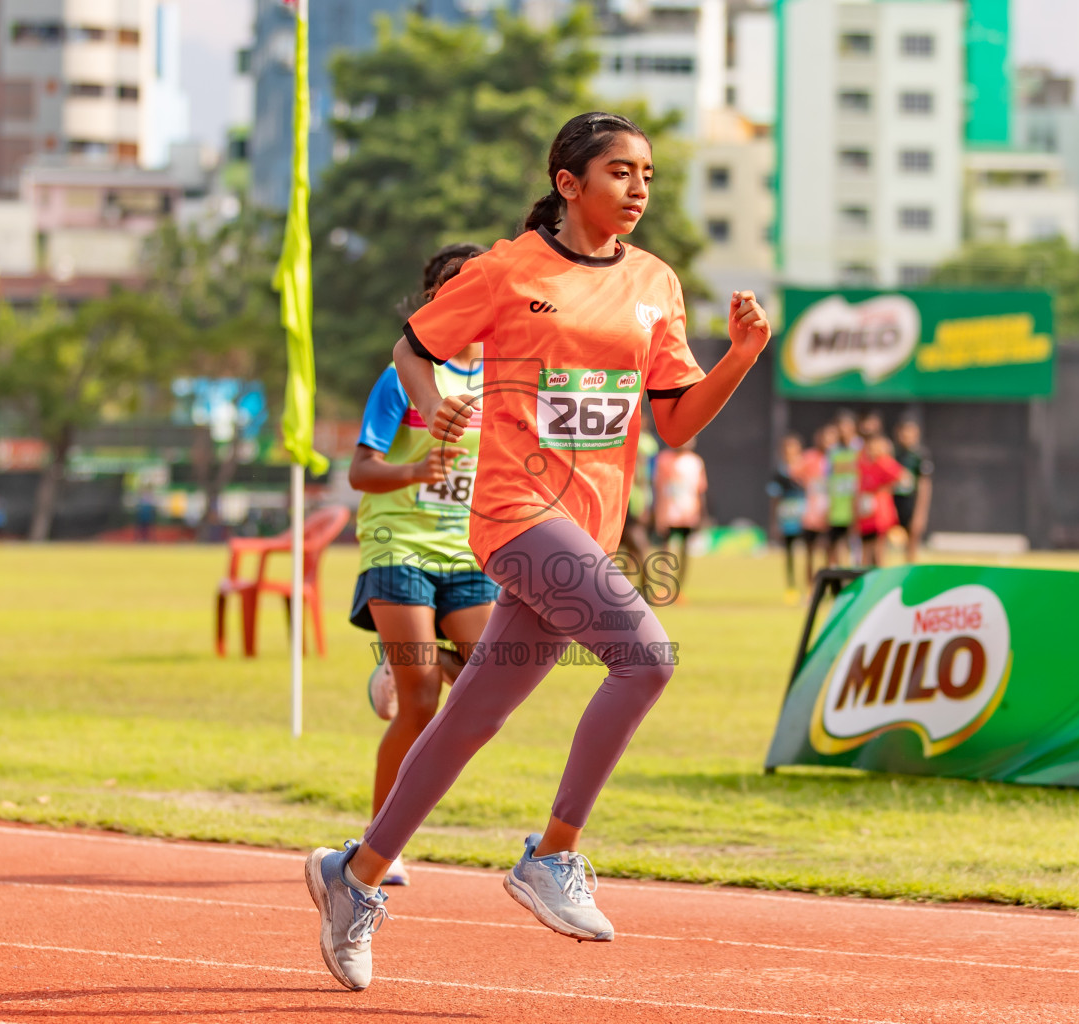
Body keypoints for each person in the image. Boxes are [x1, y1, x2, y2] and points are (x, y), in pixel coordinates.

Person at [304, 111, 771, 992]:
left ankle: (353, 875)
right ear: (569, 182)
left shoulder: (655, 282)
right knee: (645, 658)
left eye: (648, 175)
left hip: (590, 523)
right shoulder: (510, 269)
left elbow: (673, 421)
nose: (638, 189)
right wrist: (434, 398)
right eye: (620, 172)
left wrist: (740, 356)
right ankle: (552, 854)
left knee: (471, 718)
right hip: (517, 514)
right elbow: (416, 344)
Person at [347, 242, 497, 890]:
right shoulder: (401, 377)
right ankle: (381, 841)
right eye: (453, 286)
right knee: (421, 702)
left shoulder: (504, 379)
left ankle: (406, 659)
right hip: (398, 546)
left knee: (488, 686)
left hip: (469, 555)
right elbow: (359, 470)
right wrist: (416, 469)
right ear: (433, 299)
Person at [652, 437, 706, 599]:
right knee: (666, 551)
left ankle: (679, 589)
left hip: (689, 513)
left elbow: (700, 490)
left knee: (684, 551)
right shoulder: (664, 459)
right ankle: (664, 587)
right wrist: (657, 512)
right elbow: (658, 488)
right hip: (669, 513)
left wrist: (702, 515)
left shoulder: (695, 462)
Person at [616, 426, 659, 595]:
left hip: (630, 509)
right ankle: (641, 592)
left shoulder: (639, 470)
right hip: (625, 508)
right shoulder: (631, 452)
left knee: (636, 552)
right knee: (638, 552)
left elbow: (643, 482)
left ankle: (639, 592)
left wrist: (644, 507)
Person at [767, 434, 808, 600]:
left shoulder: (806, 468)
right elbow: (774, 499)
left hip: (805, 515)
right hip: (788, 517)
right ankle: (791, 587)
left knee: (808, 552)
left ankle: (807, 586)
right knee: (789, 553)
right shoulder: (779, 472)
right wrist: (775, 522)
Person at [856, 433, 906, 568]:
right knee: (865, 551)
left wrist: (884, 488)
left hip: (880, 515)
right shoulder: (862, 464)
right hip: (866, 514)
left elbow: (905, 479)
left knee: (878, 551)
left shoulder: (884, 464)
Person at [798, 424, 836, 586]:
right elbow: (794, 472)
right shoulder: (810, 457)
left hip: (832, 512)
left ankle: (832, 587)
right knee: (810, 552)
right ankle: (810, 587)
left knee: (831, 551)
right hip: (812, 513)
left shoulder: (837, 459)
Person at [892, 419, 933, 563]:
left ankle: (909, 576)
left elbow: (925, 486)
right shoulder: (893, 453)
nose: (906, 435)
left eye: (910, 431)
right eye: (903, 431)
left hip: (911, 504)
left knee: (912, 545)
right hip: (893, 505)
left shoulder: (920, 456)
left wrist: (920, 514)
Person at [825, 421, 859, 568]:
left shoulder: (860, 450)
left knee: (855, 544)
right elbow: (826, 478)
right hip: (837, 506)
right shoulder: (832, 452)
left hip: (855, 505)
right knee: (835, 544)